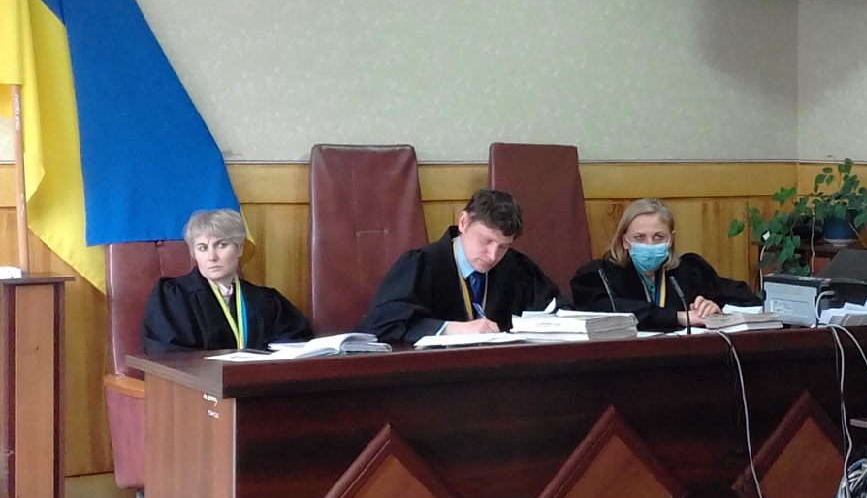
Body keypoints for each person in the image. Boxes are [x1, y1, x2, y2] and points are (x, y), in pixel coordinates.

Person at [354, 188, 562, 342]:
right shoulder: (421, 264)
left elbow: (559, 310)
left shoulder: (519, 269)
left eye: (503, 247)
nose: (492, 256)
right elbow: (379, 325)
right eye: (486, 241)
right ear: (463, 222)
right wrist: (450, 329)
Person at [569, 198, 761, 331]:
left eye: (658, 236)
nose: (649, 244)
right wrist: (678, 317)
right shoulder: (600, 276)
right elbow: (601, 311)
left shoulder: (689, 271)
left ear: (670, 239)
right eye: (640, 237)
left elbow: (748, 299)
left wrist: (717, 309)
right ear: (624, 241)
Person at [141, 208, 313, 353]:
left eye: (221, 245)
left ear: (239, 249)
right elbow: (168, 356)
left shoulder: (266, 301)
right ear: (194, 254)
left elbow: (296, 342)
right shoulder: (174, 298)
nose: (211, 257)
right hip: (200, 382)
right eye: (202, 248)